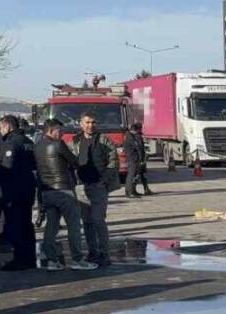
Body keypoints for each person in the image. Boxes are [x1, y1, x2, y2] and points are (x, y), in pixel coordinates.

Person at [35, 119, 97, 271]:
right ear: (50, 130)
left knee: (51, 226)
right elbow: (75, 162)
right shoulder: (58, 145)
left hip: (47, 191)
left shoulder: (37, 147)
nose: (61, 134)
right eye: (59, 130)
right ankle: (77, 259)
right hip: (64, 190)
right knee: (74, 225)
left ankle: (51, 260)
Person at [69, 112, 118, 267]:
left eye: (93, 122)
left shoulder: (104, 140)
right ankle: (93, 252)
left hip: (98, 186)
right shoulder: (75, 141)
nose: (91, 125)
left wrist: (105, 180)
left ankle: (104, 253)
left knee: (98, 220)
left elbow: (113, 162)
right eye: (87, 122)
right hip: (82, 187)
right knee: (87, 222)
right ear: (81, 124)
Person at [0, 115, 38, 271]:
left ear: (7, 126)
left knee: (16, 224)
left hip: (14, 190)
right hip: (28, 189)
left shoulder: (11, 143)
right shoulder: (28, 141)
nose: (0, 131)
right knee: (27, 224)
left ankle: (20, 259)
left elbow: (6, 167)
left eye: (1, 128)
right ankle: (30, 257)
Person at [123, 122, 152, 198]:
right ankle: (129, 192)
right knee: (131, 175)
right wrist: (142, 159)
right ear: (135, 130)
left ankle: (133, 191)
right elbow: (138, 147)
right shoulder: (130, 137)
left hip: (134, 158)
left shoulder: (130, 136)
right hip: (133, 159)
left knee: (136, 175)